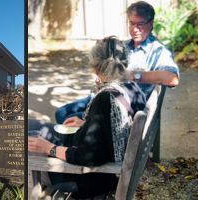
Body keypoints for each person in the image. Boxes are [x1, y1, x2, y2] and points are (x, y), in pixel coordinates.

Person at [28, 36, 146, 198]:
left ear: (96, 67)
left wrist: (49, 148)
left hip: (87, 179)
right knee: (34, 126)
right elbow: (111, 129)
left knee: (30, 137)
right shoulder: (133, 88)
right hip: (104, 169)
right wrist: (87, 123)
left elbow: (89, 157)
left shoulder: (105, 99)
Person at [54, 0, 179, 125]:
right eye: (132, 23)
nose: (135, 29)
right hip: (105, 96)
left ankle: (67, 144)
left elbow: (173, 79)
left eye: (140, 24)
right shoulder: (124, 46)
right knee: (61, 113)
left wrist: (133, 75)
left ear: (151, 23)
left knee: (67, 120)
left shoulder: (158, 51)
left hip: (120, 107)